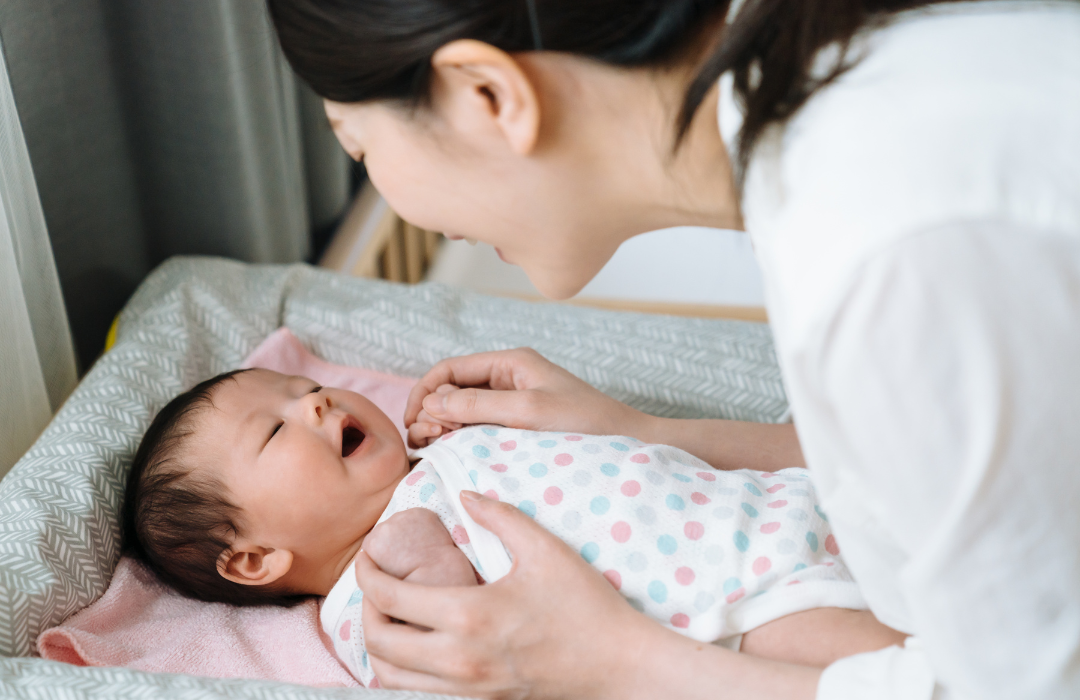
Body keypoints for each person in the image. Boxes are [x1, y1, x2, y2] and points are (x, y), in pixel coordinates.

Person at [266, 0, 1080, 698]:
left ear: (488, 94)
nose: (397, 206)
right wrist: (643, 434)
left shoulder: (888, 255)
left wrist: (617, 660)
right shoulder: (833, 111)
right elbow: (941, 457)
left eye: (361, 150)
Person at [122, 367, 904, 687]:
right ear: (255, 559)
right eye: (275, 432)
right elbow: (457, 664)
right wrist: (421, 557)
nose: (317, 404)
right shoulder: (367, 599)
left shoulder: (444, 455)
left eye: (308, 387)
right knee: (908, 664)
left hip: (773, 501)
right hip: (741, 611)